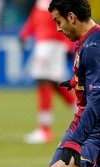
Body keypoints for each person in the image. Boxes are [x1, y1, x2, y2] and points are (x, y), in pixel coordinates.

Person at [12, 0, 100, 167]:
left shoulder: (94, 47)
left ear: (71, 17)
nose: (58, 28)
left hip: (94, 130)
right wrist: (75, 82)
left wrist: (76, 140)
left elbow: (97, 103)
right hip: (83, 123)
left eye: (58, 21)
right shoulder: (87, 40)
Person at [20, 0, 77, 144]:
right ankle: (83, 112)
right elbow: (35, 17)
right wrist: (25, 34)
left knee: (44, 80)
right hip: (42, 43)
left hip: (54, 44)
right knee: (53, 82)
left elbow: (68, 21)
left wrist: (68, 45)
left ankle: (45, 130)